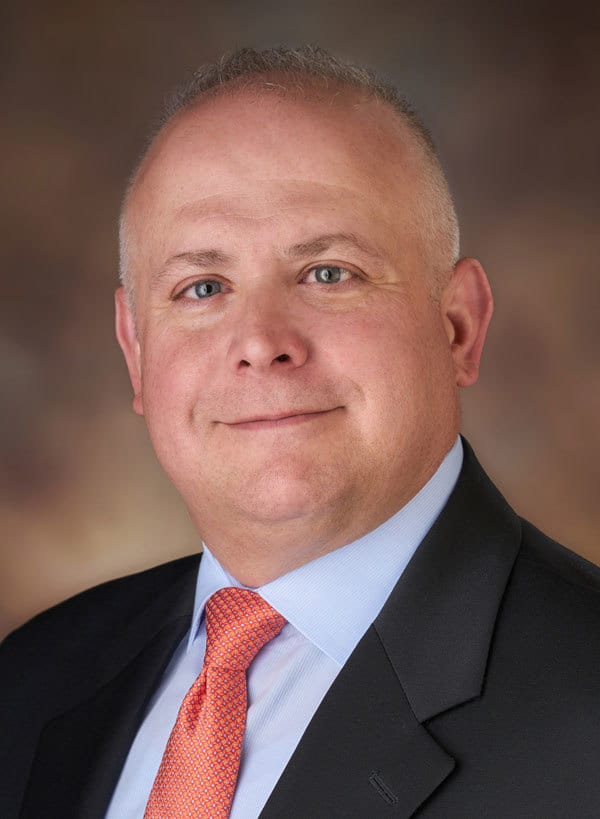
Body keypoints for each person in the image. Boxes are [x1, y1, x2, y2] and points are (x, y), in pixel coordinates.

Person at [1, 46, 599, 819]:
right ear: (136, 353)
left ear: (458, 326)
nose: (261, 339)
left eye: (328, 272)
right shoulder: (34, 676)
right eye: (203, 286)